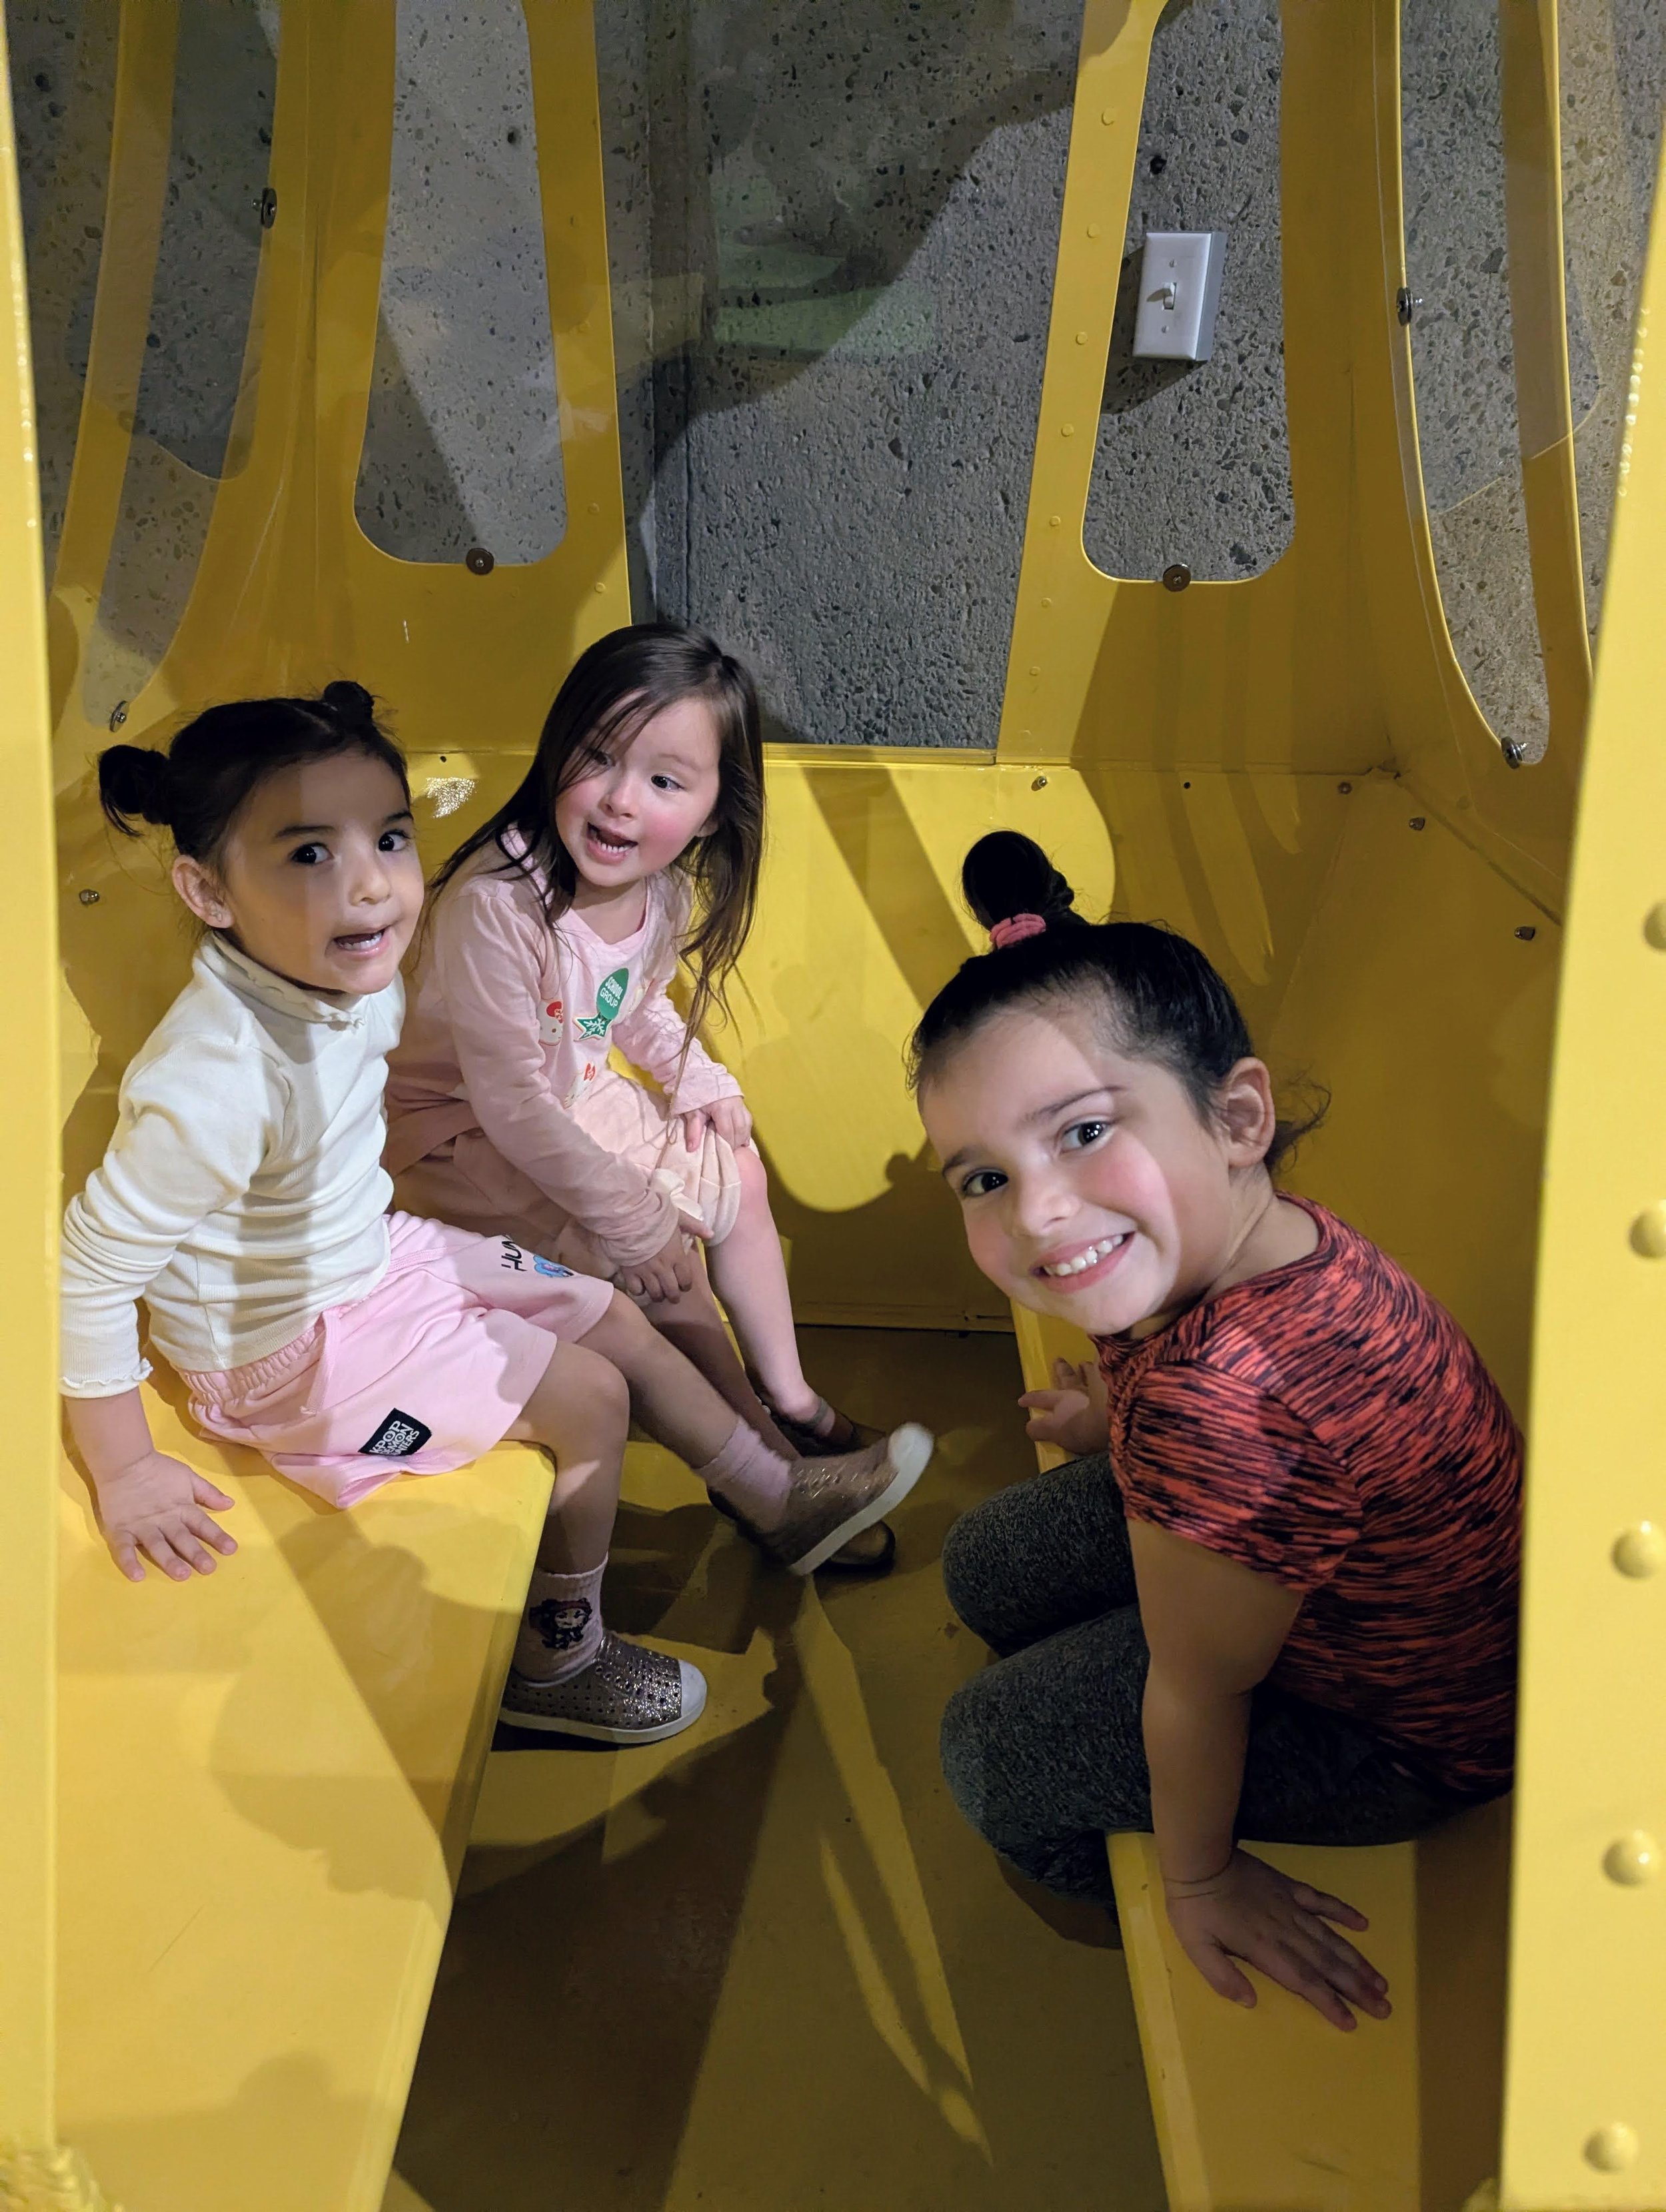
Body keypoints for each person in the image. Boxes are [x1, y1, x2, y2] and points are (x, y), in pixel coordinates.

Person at [60, 683, 930, 1746]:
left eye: (386, 837)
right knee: (592, 1399)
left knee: (611, 1308)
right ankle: (560, 1660)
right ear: (207, 892)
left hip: (374, 1260)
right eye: (308, 855)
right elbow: (90, 1271)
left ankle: (774, 1499)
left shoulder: (342, 974)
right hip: (288, 1355)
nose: (375, 885)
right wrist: (124, 1467)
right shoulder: (216, 1077)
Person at [910, 830, 1519, 2030]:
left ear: (1238, 1115)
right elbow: (1204, 1400)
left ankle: (1129, 1875)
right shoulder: (1249, 1239)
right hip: (1311, 1561)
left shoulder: (1225, 1400)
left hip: (1393, 1730)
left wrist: (1202, 1873)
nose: (1036, 1213)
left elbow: (1196, 1690)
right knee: (985, 1564)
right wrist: (1112, 1419)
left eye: (1085, 1131)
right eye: (981, 1177)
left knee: (988, 1747)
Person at [385, 622, 896, 1570]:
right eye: (600, 757)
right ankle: (773, 1477)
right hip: (454, 1137)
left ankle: (792, 1400)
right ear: (558, 752)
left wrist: (694, 1071)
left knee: (737, 1171)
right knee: (664, 1269)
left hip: (559, 1104)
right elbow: (508, 1104)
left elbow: (634, 1003)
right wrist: (634, 1219)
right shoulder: (499, 903)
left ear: (708, 812)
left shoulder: (657, 893)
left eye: (666, 780)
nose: (622, 800)